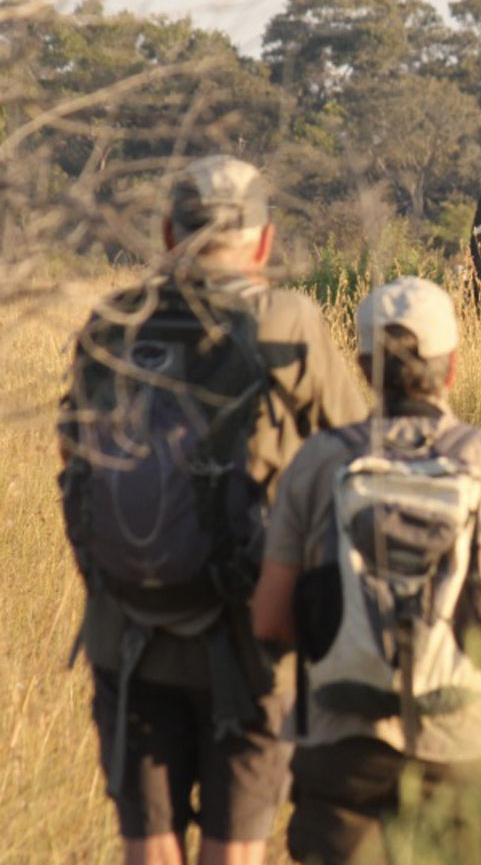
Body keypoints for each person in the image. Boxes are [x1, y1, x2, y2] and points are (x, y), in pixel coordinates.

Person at [59, 155, 368, 865]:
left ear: (170, 232)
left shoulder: (111, 324)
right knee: (235, 849)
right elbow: (358, 456)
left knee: (148, 847)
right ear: (263, 242)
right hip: (249, 638)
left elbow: (74, 473)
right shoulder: (288, 319)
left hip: (125, 632)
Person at [252, 275, 481, 865]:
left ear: (363, 366)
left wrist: (348, 640)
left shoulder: (319, 461)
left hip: (343, 745)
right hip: (470, 744)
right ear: (451, 367)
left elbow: (269, 620)